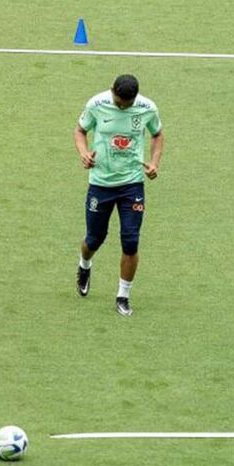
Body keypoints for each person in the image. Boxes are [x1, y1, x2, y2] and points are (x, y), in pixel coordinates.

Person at [74, 74, 164, 316]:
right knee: (94, 238)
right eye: (118, 102)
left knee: (131, 240)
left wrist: (155, 163)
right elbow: (80, 130)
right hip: (100, 183)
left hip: (132, 184)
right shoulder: (96, 104)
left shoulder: (147, 108)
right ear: (112, 90)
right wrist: (83, 153)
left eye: (127, 104)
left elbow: (157, 134)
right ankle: (84, 265)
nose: (122, 106)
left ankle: (123, 295)